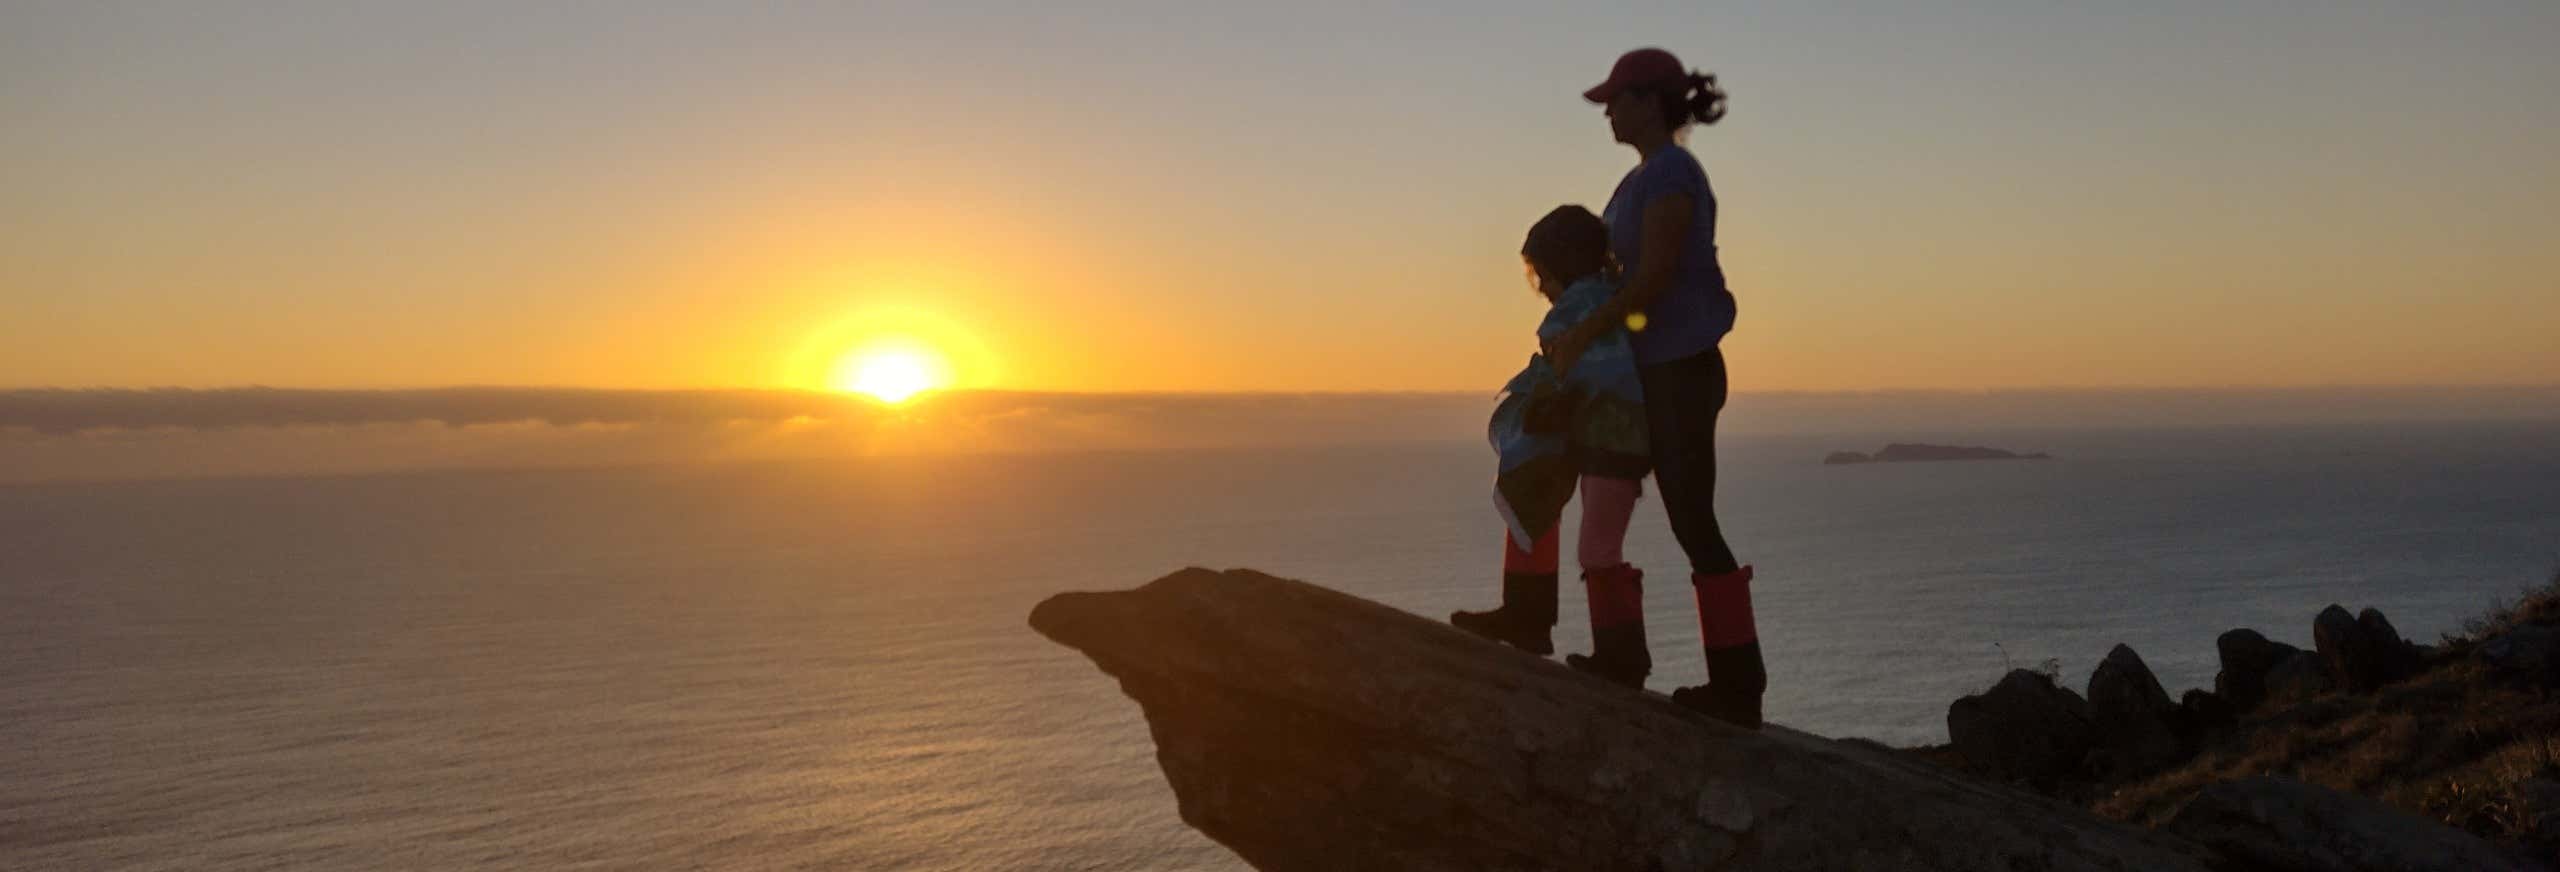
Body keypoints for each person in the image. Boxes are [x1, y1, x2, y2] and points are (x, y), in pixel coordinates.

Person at [1545, 47, 1765, 729]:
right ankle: (1622, 657)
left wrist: (1585, 333)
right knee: (1612, 502)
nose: (1607, 111)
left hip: (1680, 367)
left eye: (1616, 98)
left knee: (1691, 517)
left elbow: (1654, 276)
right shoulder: (1640, 179)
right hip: (1646, 372)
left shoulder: (1671, 173)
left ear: (1648, 100)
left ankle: (1737, 687)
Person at [1451, 205, 1654, 689]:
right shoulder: (1607, 300)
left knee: (1587, 541)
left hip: (1611, 439)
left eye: (1540, 275)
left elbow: (1570, 369)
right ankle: (1550, 627)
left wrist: (1538, 404)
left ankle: (1608, 651)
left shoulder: (1578, 309)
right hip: (1608, 436)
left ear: (1561, 266)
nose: (1539, 287)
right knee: (1549, 513)